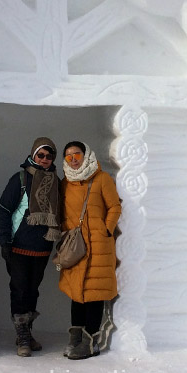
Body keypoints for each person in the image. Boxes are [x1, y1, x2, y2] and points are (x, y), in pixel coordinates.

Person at [0, 137, 61, 356]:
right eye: (40, 155)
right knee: (20, 289)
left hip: (42, 247)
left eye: (49, 155)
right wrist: (4, 241)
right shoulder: (21, 179)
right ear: (33, 155)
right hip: (18, 246)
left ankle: (26, 332)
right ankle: (22, 337)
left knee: (33, 291)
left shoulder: (56, 182)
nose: (44, 159)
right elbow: (4, 210)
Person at [59, 141, 121, 360]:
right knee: (77, 294)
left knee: (94, 294)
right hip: (76, 247)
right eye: (68, 156)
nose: (73, 159)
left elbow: (114, 206)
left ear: (86, 155)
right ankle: (75, 338)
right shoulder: (65, 183)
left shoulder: (101, 178)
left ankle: (91, 343)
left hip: (98, 246)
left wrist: (106, 229)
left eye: (77, 154)